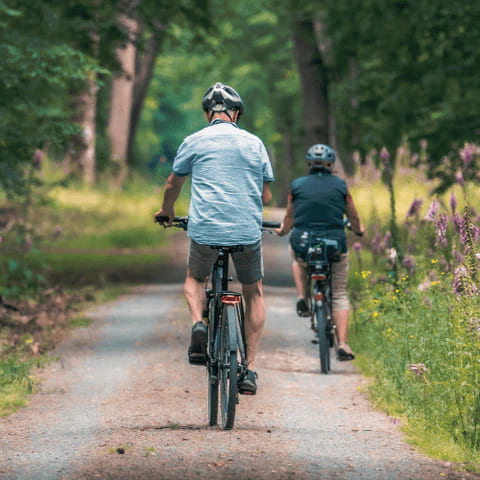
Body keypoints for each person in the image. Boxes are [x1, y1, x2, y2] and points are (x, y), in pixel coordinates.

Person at [154, 82, 274, 394]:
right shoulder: (254, 143)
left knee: (195, 278)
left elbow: (173, 184)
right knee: (254, 291)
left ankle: (198, 323)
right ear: (237, 113)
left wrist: (167, 211)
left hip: (205, 229)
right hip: (247, 231)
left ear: (209, 113)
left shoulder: (193, 141)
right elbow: (266, 193)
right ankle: (248, 370)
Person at [275, 144, 364, 360]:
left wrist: (283, 230)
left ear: (309, 164)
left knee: (297, 258)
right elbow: (352, 216)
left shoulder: (297, 186)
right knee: (340, 294)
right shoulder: (341, 186)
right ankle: (342, 343)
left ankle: (303, 296)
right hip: (334, 243)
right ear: (330, 164)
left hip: (304, 242)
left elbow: (289, 217)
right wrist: (359, 230)